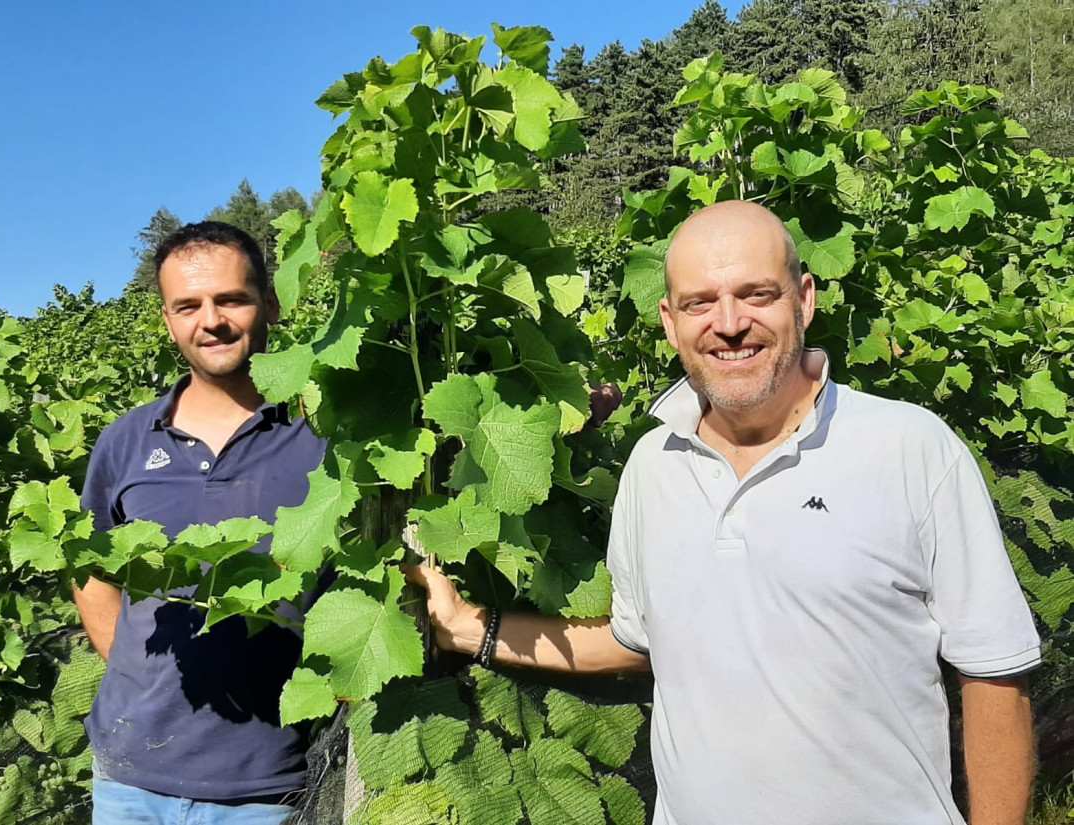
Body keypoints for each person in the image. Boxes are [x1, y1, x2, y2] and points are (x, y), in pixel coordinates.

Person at [409, 201, 1041, 825]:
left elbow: (994, 676)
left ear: (805, 299)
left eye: (757, 294)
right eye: (700, 303)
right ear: (669, 320)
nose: (729, 323)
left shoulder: (911, 447)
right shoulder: (650, 466)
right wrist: (472, 628)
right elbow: (640, 641)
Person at [74, 221, 327, 823]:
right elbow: (92, 569)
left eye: (230, 300)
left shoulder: (327, 431)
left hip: (267, 784)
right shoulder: (127, 441)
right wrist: (142, 674)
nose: (209, 321)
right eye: (187, 306)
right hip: (128, 778)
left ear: (270, 303)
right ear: (167, 319)